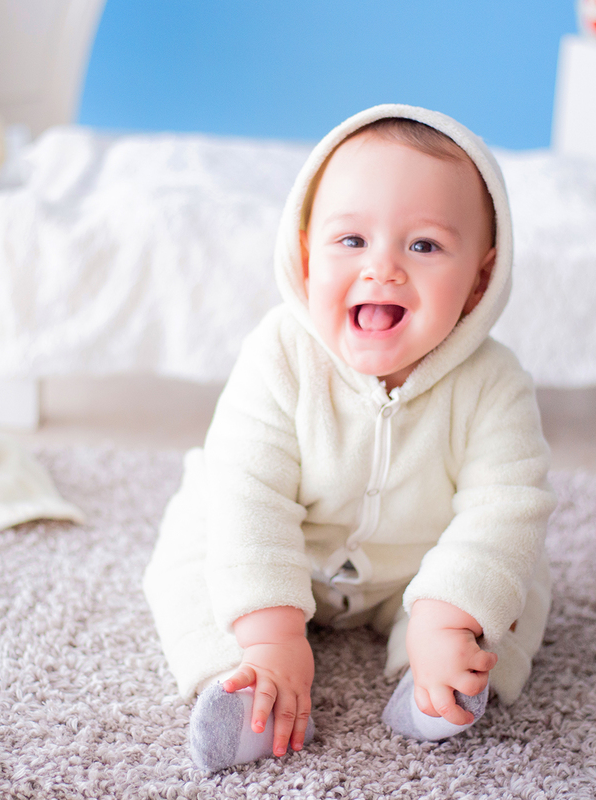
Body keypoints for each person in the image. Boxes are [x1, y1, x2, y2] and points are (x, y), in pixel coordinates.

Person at [143, 104, 556, 772]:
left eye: (424, 246)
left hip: (416, 565)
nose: (382, 268)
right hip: (282, 546)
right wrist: (272, 635)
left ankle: (436, 682)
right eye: (352, 240)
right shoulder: (279, 355)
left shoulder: (495, 382)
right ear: (307, 257)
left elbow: (505, 505)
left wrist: (448, 614)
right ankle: (247, 684)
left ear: (480, 278)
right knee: (196, 553)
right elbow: (251, 495)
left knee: (511, 581)